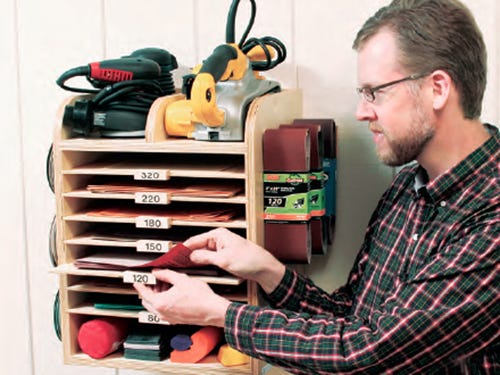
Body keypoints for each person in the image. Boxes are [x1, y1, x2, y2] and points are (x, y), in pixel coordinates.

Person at [134, 0, 499, 373]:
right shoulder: (407, 187)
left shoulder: (492, 218)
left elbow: (368, 356)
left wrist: (220, 314)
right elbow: (350, 319)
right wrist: (267, 271)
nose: (361, 111)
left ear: (437, 88)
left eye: (376, 92)